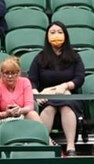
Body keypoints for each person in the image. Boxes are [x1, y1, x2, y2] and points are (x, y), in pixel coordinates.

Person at [28, 25, 85, 154]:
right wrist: (36, 94)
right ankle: (43, 146)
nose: (56, 35)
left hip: (70, 96)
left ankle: (71, 147)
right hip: (46, 97)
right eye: (52, 32)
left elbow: (80, 78)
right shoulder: (40, 57)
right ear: (47, 37)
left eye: (60, 32)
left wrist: (65, 86)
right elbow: (31, 80)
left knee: (66, 106)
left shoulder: (74, 56)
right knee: (49, 108)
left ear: (65, 35)